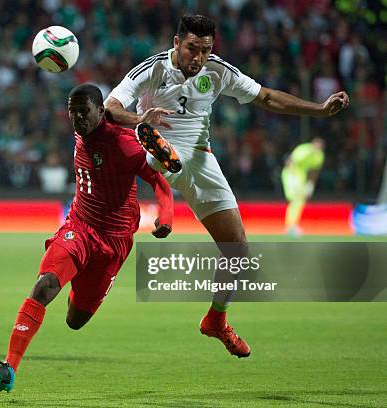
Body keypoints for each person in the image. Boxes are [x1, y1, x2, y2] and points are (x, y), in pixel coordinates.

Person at [105, 14, 349, 358]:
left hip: (200, 160)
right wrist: (139, 120)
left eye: (205, 50)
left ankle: (216, 320)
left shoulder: (218, 71)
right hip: (153, 145)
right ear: (177, 44)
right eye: (192, 48)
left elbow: (266, 97)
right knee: (152, 153)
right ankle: (156, 153)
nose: (198, 58)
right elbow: (111, 107)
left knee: (237, 248)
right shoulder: (152, 69)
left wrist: (319, 110)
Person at [0, 84, 174, 392]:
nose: (76, 118)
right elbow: (111, 112)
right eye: (72, 112)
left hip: (114, 241)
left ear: (99, 112)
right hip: (79, 225)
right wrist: (138, 117)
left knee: (76, 320)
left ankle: (81, 283)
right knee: (44, 285)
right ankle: (9, 368)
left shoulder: (125, 145)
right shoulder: (82, 131)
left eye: (83, 112)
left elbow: (158, 181)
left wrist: (166, 216)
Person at [281, 138, 325, 236]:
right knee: (296, 200)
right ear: (312, 144)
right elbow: (289, 162)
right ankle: (290, 226)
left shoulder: (319, 156)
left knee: (299, 201)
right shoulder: (304, 150)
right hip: (290, 175)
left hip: (300, 179)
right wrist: (294, 179)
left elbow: (314, 172)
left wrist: (310, 185)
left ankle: (291, 226)